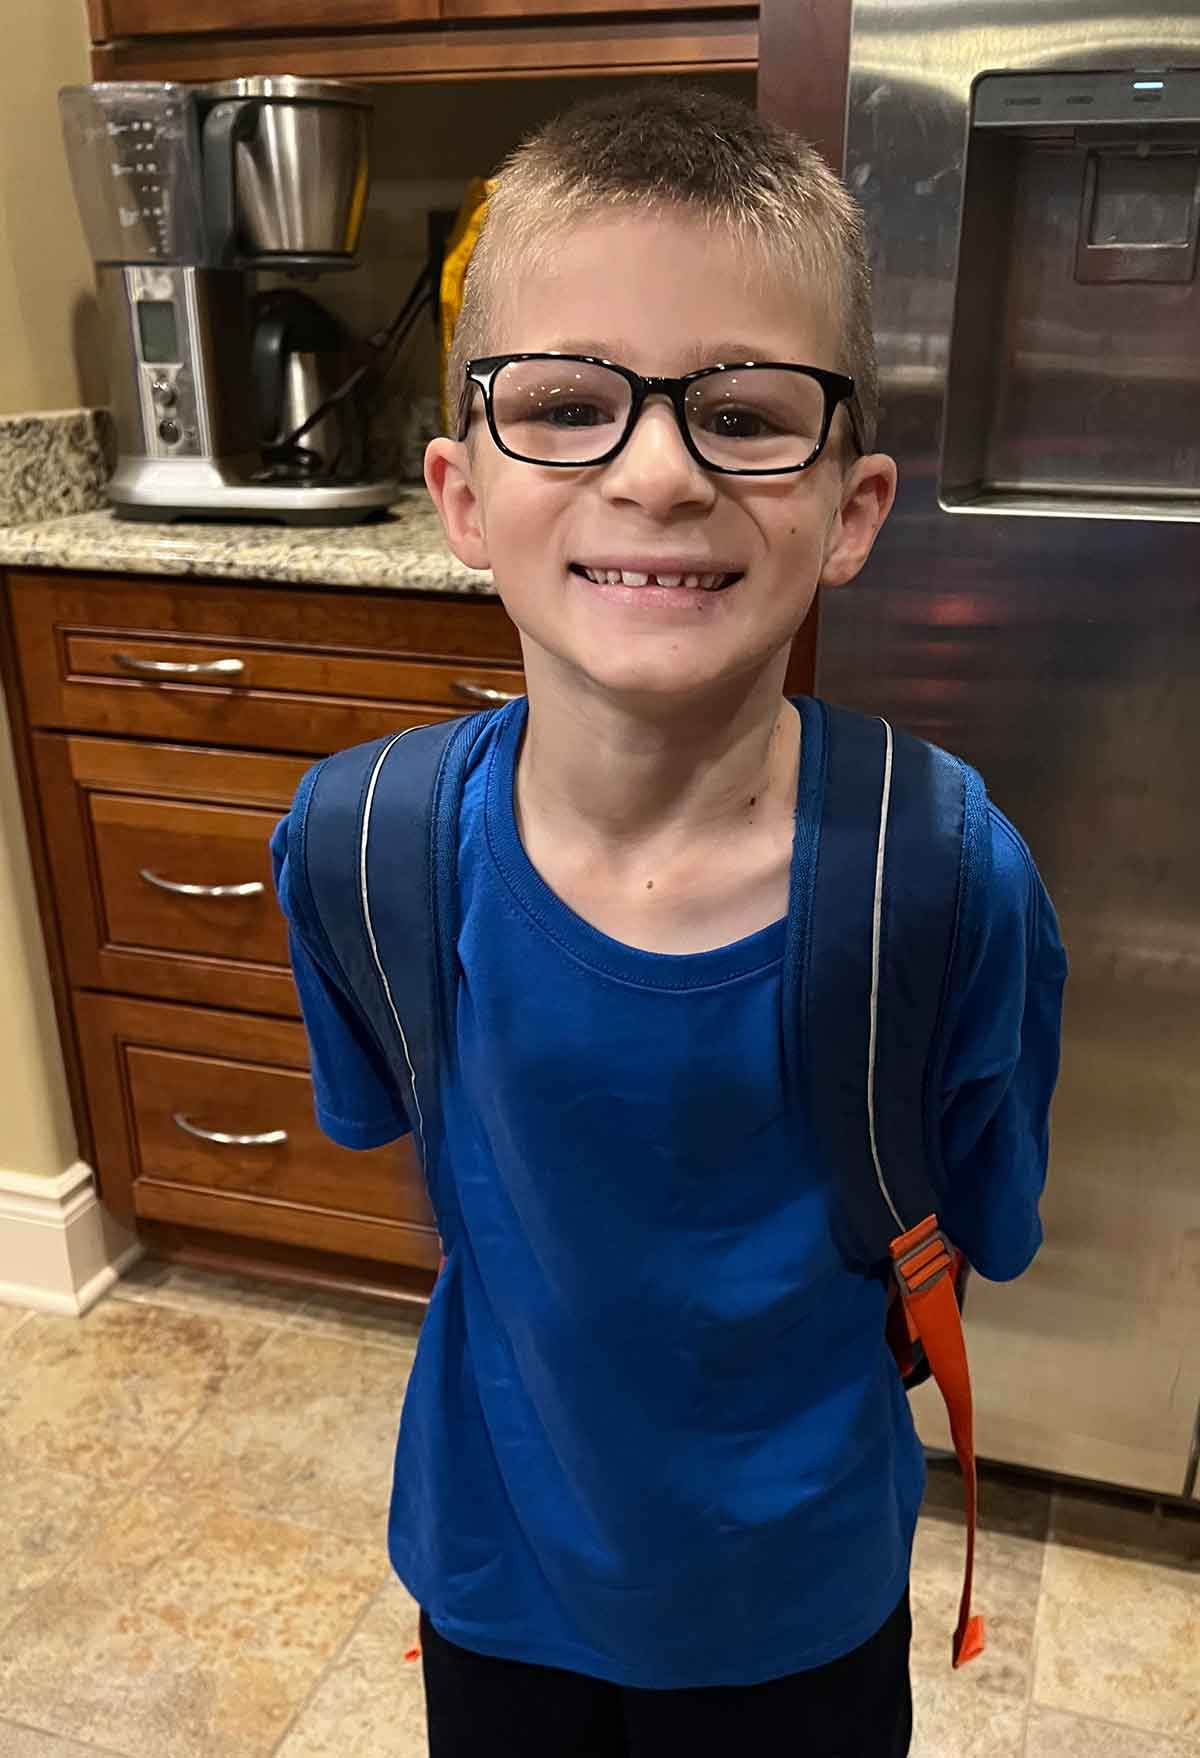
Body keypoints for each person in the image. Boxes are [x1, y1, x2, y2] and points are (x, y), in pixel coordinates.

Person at [272, 84, 1066, 1757]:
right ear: (462, 494)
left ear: (851, 508)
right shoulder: (359, 843)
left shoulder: (952, 872)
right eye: (564, 402)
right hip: (495, 1588)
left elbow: (978, 1225)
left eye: (746, 411)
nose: (655, 471)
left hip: (802, 1623)